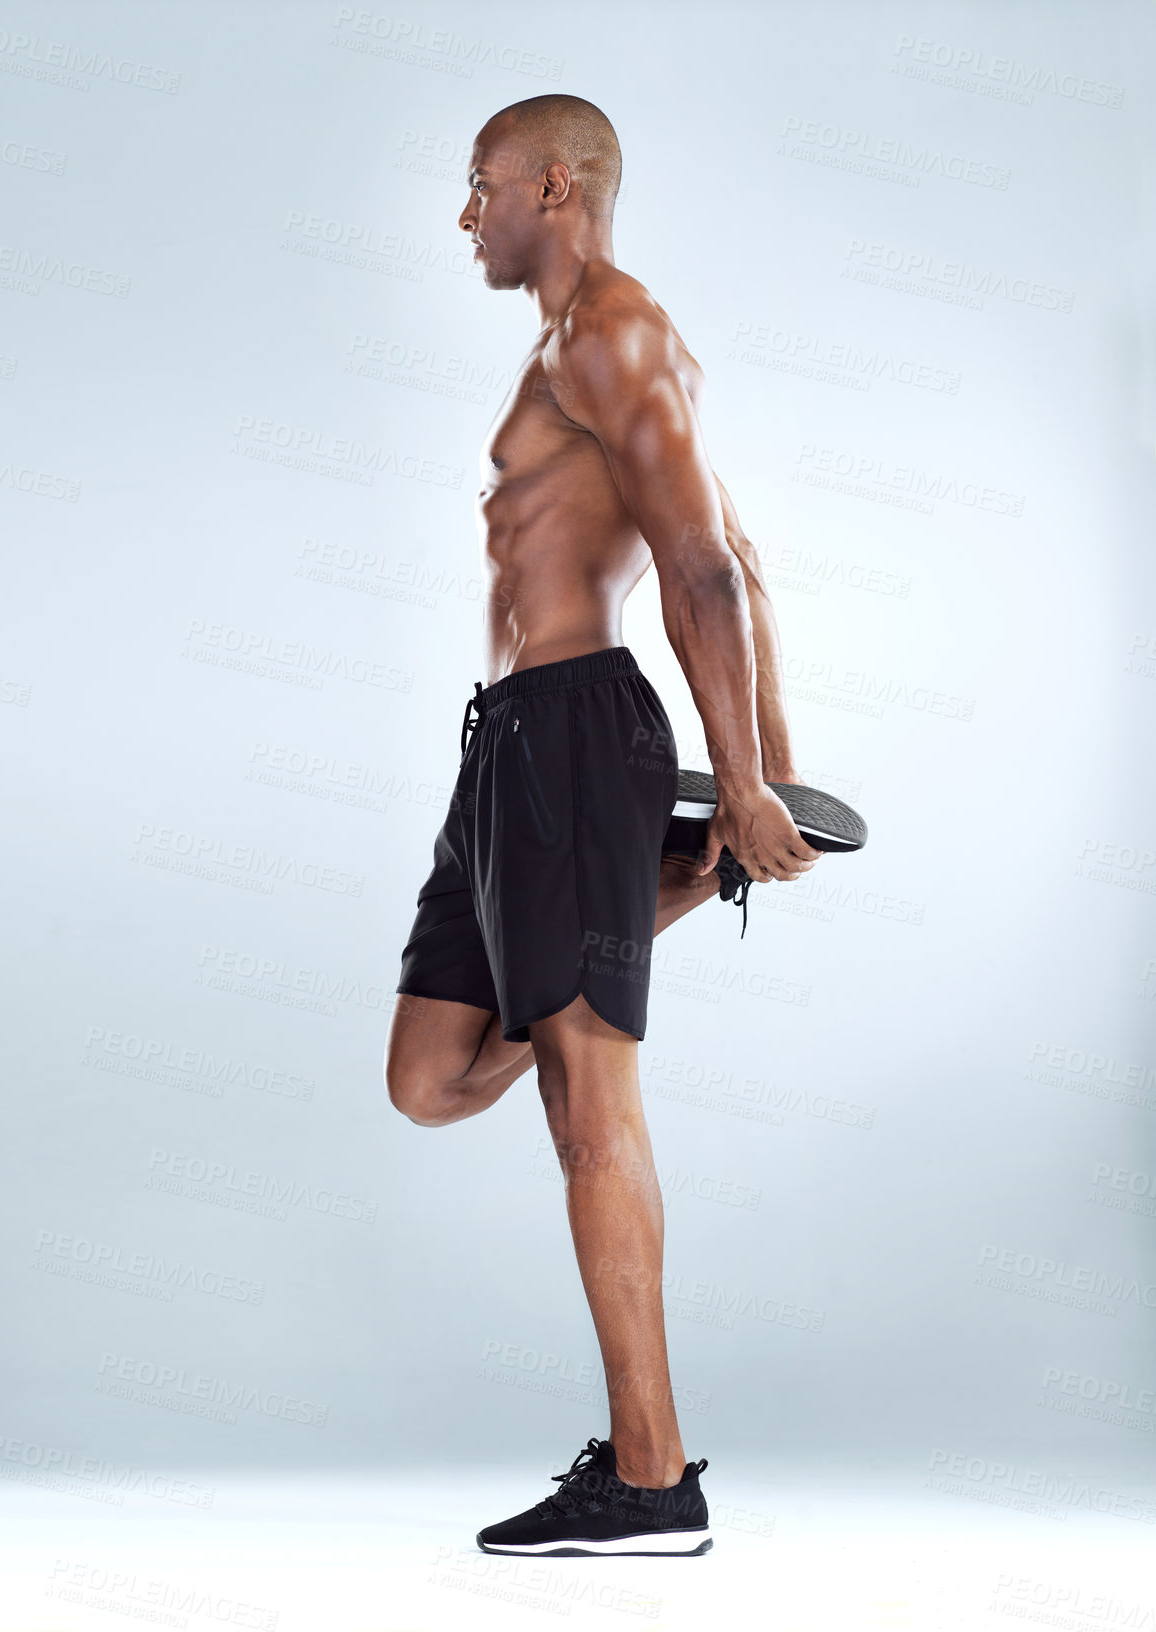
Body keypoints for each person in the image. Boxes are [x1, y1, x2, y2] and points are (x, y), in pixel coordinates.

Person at [383, 93, 822, 1557]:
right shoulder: (566, 350)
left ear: (552, 187)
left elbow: (702, 563)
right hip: (509, 747)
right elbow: (744, 552)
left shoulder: (617, 333)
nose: (467, 216)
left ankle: (652, 1480)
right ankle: (647, 906)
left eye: (479, 188)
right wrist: (763, 769)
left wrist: (749, 778)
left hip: (580, 731)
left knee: (589, 1102)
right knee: (431, 1075)